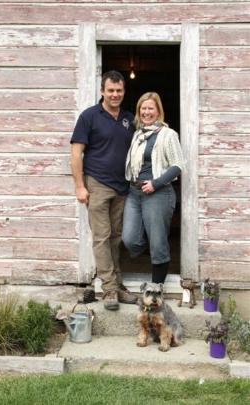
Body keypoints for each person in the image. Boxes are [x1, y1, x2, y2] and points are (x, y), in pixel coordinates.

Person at [71, 70, 138, 310]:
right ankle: (109, 289)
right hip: (97, 184)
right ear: (102, 91)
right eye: (110, 90)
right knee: (101, 237)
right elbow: (76, 152)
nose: (115, 94)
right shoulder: (89, 116)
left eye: (119, 90)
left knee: (116, 237)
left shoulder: (130, 119)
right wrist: (80, 185)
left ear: (123, 91)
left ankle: (117, 285)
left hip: (122, 186)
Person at [122, 92, 184, 284]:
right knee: (129, 239)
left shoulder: (168, 134)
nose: (146, 112)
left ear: (158, 111)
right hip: (134, 193)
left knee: (158, 245)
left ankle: (157, 288)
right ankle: (154, 242)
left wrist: (155, 183)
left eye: (150, 108)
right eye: (143, 108)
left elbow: (178, 165)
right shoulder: (137, 135)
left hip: (158, 193)